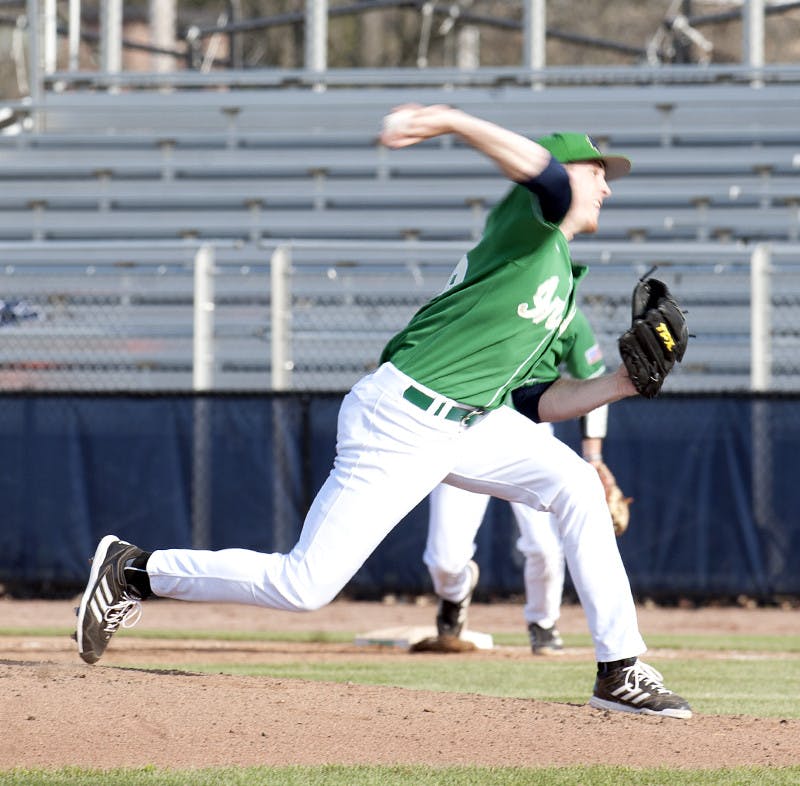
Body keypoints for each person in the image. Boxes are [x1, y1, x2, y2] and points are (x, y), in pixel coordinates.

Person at [74, 104, 692, 719]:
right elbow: (544, 176)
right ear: (559, 172)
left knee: (577, 485)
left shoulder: (558, 286)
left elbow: (535, 402)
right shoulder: (531, 226)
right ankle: (135, 571)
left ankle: (620, 669)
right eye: (596, 170)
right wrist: (448, 118)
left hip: (473, 422)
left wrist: (618, 384)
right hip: (403, 419)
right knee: (305, 585)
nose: (606, 184)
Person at [426, 308, 618, 654]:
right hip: (466, 425)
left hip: (529, 431)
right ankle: (455, 592)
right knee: (444, 557)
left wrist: (594, 458)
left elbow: (593, 377)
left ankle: (542, 622)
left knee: (543, 545)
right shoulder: (484, 295)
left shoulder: (563, 311)